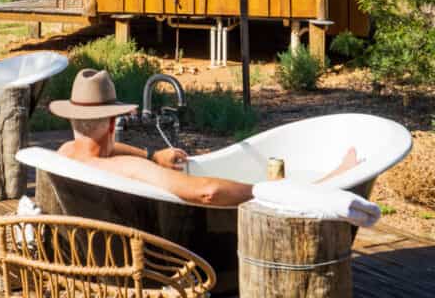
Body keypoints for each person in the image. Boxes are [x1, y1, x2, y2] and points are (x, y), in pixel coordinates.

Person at [50, 69, 360, 207]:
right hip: (172, 256)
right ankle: (320, 185)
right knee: (273, 191)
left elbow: (107, 148)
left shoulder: (66, 153)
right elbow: (207, 193)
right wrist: (267, 191)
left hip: (108, 253)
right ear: (113, 121)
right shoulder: (128, 171)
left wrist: (151, 155)